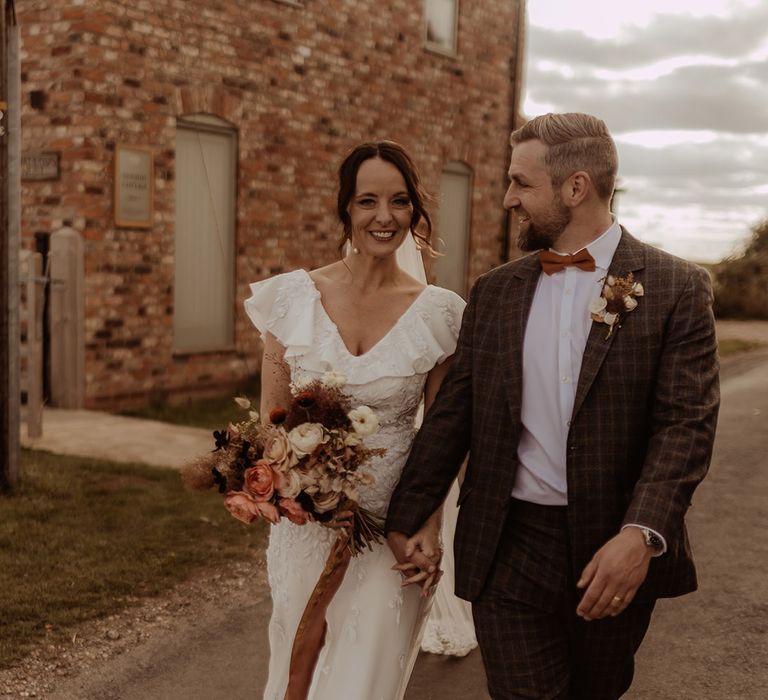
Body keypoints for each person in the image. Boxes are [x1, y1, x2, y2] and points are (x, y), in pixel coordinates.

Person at [386, 112, 720, 699]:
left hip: (612, 546)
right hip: (509, 542)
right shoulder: (494, 292)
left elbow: (684, 425)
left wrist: (640, 535)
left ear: (575, 187)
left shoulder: (677, 288)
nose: (509, 199)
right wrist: (410, 515)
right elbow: (453, 415)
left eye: (521, 183)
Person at [244, 140, 469, 699]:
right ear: (346, 207)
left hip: (395, 526)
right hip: (306, 528)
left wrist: (429, 528)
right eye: (368, 200)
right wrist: (287, 484)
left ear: (414, 211)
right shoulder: (291, 299)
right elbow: (272, 422)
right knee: (296, 667)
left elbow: (441, 438)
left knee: (360, 684)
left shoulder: (439, 314)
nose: (384, 216)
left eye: (398, 201)